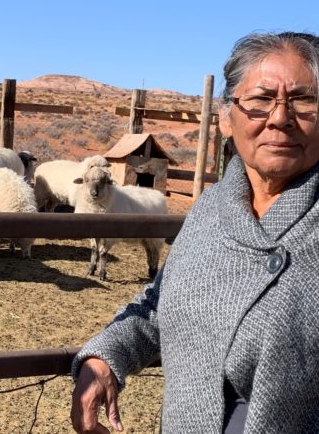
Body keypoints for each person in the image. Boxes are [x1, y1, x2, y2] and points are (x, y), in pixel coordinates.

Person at [70, 31, 319, 434]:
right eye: (259, 100)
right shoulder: (211, 209)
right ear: (226, 118)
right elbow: (159, 304)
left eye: (304, 100)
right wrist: (107, 354)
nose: (280, 117)